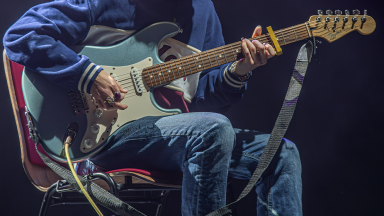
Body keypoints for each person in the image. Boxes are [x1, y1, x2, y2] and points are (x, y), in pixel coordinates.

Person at [3, 0, 302, 215]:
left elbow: (202, 97)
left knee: (281, 153)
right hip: (105, 134)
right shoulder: (103, 3)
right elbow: (21, 35)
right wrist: (88, 75)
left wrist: (239, 70)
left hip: (173, 134)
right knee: (212, 128)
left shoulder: (203, 11)